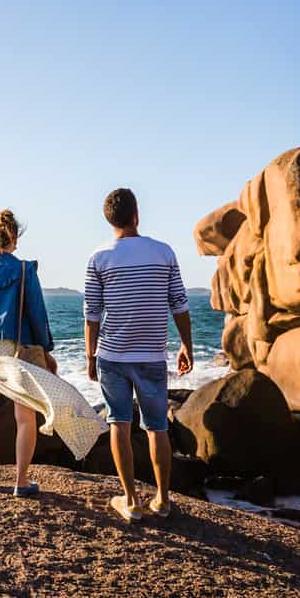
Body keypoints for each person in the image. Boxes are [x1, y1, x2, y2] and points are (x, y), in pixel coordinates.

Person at [0, 209, 106, 496]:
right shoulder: (25, 270)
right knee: (24, 418)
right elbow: (37, 315)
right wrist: (47, 350)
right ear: (14, 238)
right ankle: (21, 482)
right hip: (18, 351)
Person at [83, 188, 193, 521]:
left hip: (112, 356)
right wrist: (186, 344)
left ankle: (130, 501)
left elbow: (92, 313)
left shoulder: (98, 258)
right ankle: (162, 500)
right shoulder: (163, 253)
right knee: (156, 427)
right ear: (136, 215)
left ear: (109, 220)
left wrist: (90, 356)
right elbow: (180, 303)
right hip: (152, 356)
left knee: (119, 422)